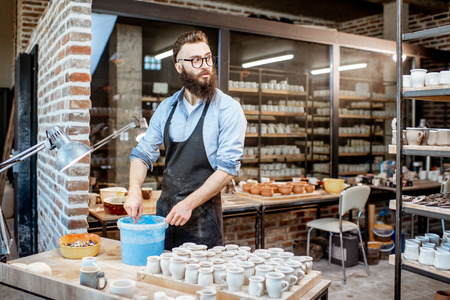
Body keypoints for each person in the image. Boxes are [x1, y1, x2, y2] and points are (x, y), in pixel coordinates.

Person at [124, 30, 247, 249]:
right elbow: (142, 153)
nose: (205, 65)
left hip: (203, 218)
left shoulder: (228, 109)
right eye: (196, 60)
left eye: (208, 58)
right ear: (179, 66)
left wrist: (188, 204)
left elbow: (227, 169)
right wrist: (134, 191)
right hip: (167, 213)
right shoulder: (166, 108)